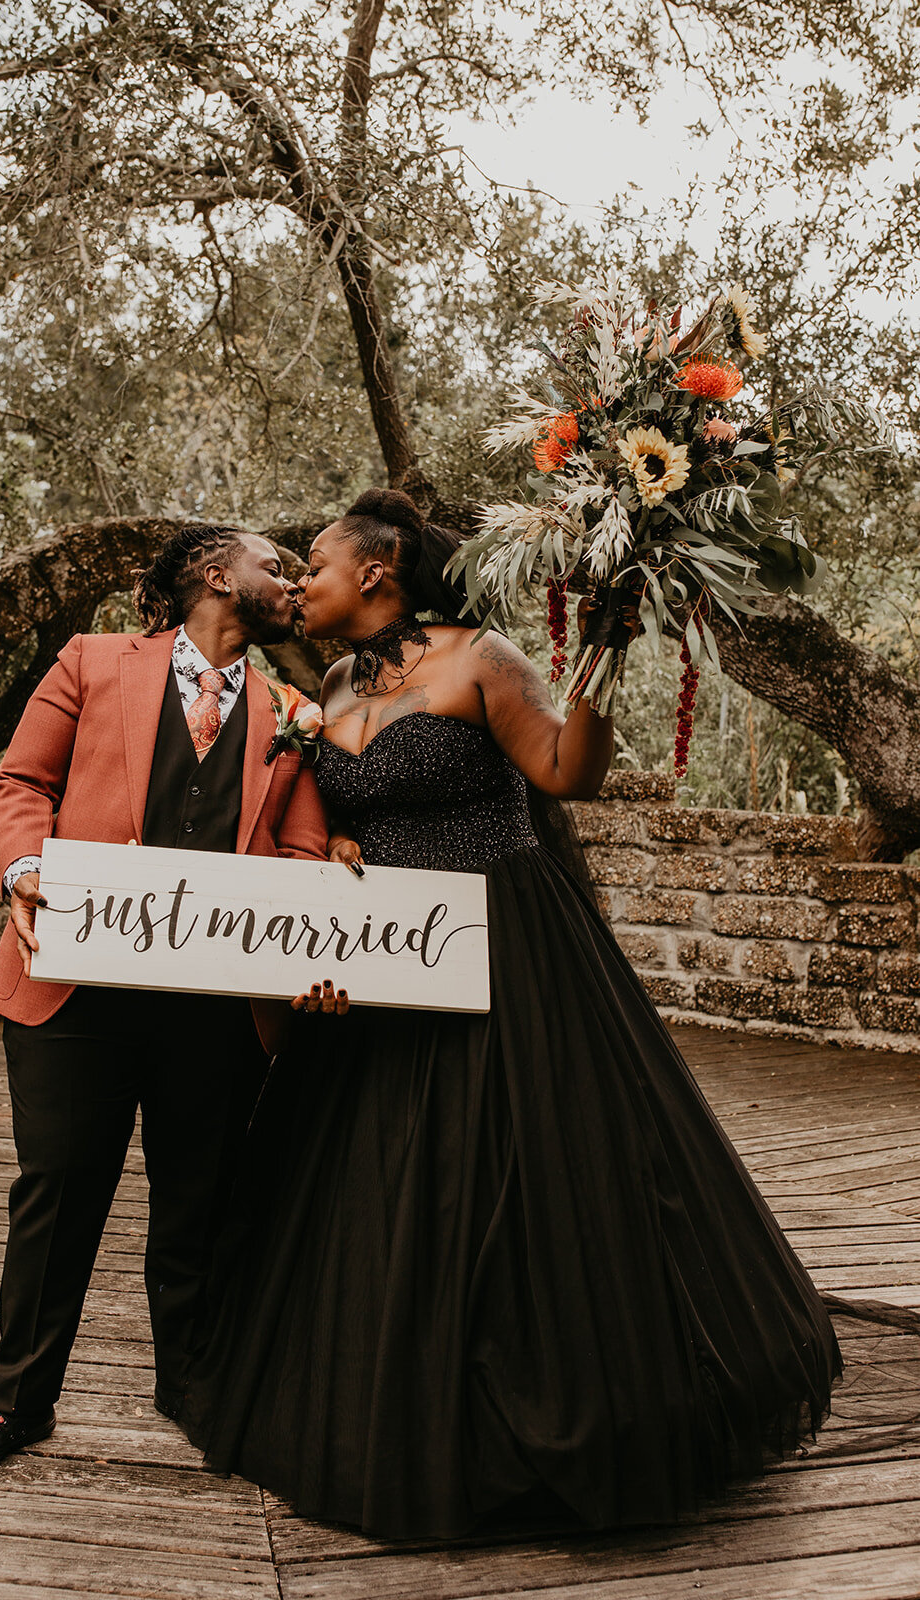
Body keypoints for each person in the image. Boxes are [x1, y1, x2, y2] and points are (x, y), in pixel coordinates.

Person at [176, 488, 842, 1539]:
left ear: (377, 571)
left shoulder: (480, 657)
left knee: (525, 1173)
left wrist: (605, 657)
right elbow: (338, 811)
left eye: (318, 562)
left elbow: (567, 773)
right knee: (387, 1180)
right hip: (386, 964)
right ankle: (392, 1402)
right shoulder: (334, 681)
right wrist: (338, 849)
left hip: (504, 947)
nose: (303, 579)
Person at [0, 525, 330, 1483]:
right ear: (215, 575)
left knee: (201, 1202)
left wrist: (313, 936)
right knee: (56, 1195)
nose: (293, 582)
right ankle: (15, 1404)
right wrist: (24, 869)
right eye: (275, 566)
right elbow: (20, 780)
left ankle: (191, 1393)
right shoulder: (92, 660)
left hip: (217, 1006)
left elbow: (304, 853)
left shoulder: (291, 710)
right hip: (74, 992)